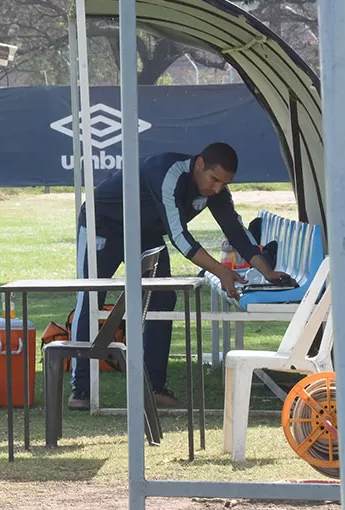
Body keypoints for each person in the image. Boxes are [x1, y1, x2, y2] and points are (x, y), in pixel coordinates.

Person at [68, 142, 293, 411]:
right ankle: (80, 390)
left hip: (147, 232)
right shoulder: (168, 173)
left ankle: (154, 388)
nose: (217, 189)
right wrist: (221, 271)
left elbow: (235, 230)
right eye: (214, 180)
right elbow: (180, 237)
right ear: (199, 164)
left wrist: (266, 271)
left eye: (224, 184)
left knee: (162, 298)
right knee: (91, 296)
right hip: (102, 223)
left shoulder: (216, 190)